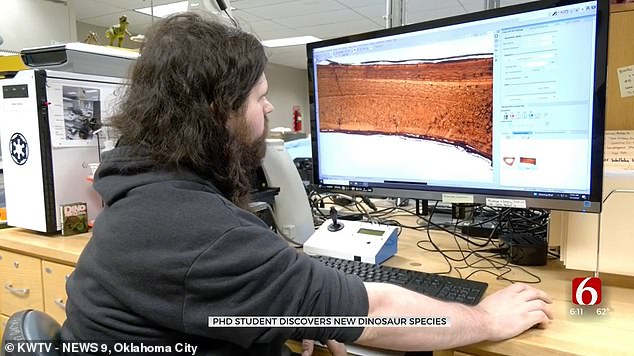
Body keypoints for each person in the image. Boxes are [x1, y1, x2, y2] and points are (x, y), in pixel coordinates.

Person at [61, 12, 553, 355]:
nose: (270, 109)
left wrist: (282, 313)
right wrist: (486, 321)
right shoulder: (208, 236)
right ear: (217, 112)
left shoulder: (137, 194)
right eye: (259, 98)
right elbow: (377, 309)